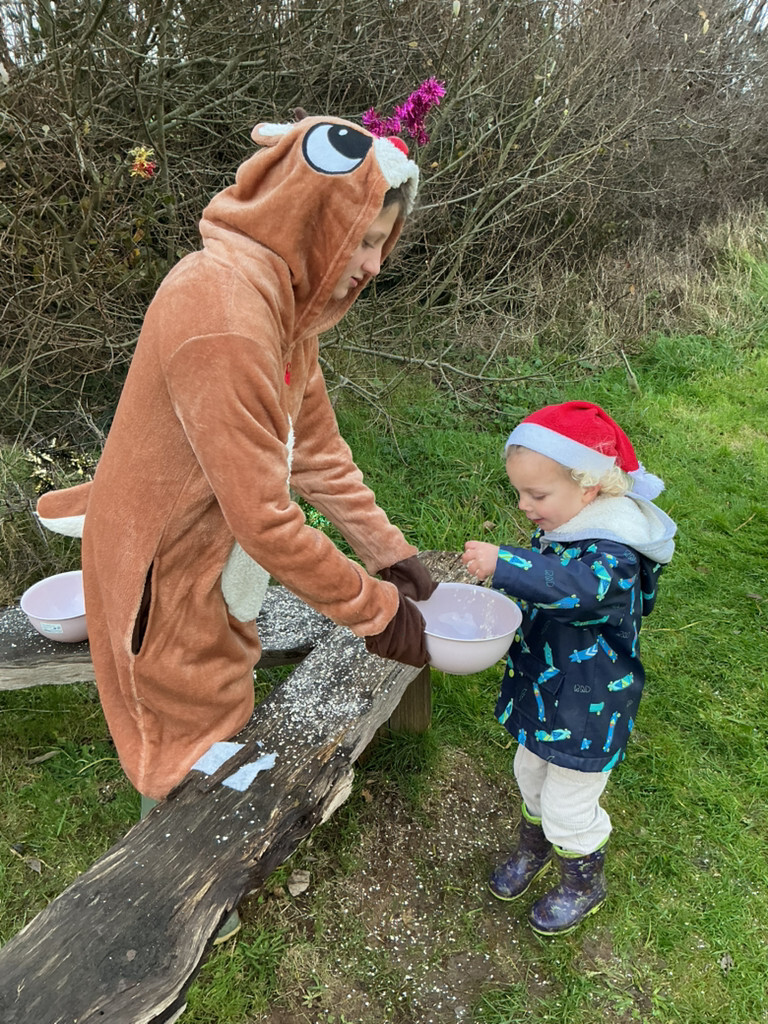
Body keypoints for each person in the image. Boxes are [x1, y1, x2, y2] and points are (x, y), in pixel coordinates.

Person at [35, 114, 437, 939]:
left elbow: (317, 451)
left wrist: (390, 554)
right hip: (162, 564)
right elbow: (265, 518)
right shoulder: (221, 311)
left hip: (215, 551)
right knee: (178, 724)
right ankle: (169, 902)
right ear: (314, 218)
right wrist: (377, 613)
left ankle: (202, 858)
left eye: (383, 244)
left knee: (224, 689)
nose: (373, 264)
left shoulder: (286, 306)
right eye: (364, 239)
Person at [462, 401, 676, 935]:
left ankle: (583, 883)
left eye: (537, 495)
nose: (524, 505)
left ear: (589, 488)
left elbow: (578, 589)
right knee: (530, 774)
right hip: (547, 689)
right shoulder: (570, 526)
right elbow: (551, 588)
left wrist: (507, 564)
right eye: (520, 492)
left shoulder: (615, 554)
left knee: (568, 807)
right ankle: (534, 850)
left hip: (590, 706)